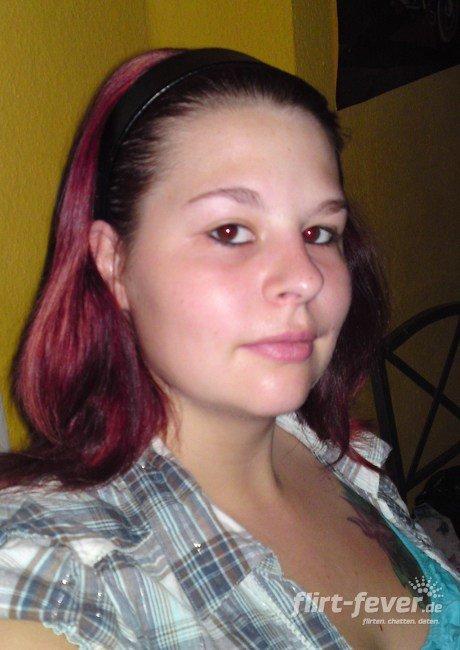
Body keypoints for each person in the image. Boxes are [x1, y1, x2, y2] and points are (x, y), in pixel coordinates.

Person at [0, 47, 458, 649]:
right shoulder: (56, 580)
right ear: (114, 263)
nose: (306, 278)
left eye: (319, 232)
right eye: (230, 231)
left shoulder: (335, 451)